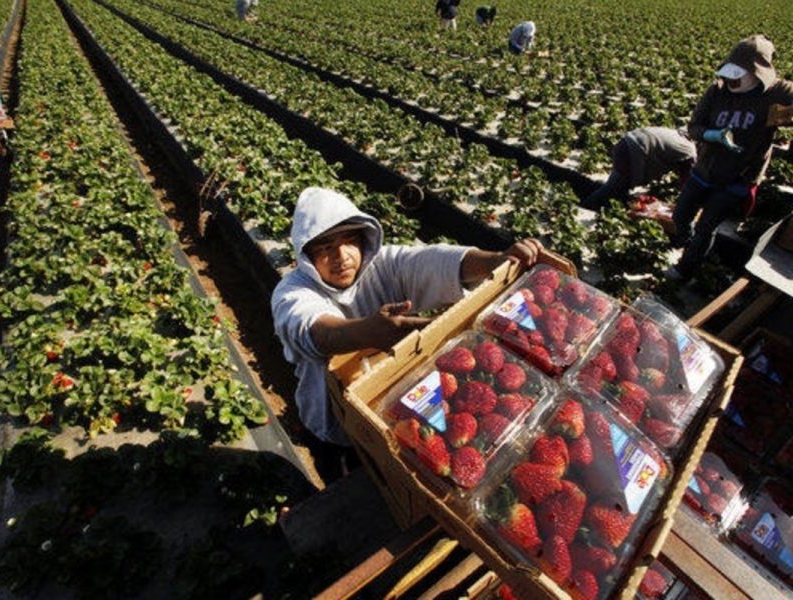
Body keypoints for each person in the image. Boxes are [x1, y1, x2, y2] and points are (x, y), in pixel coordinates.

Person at [271, 187, 543, 447]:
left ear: (363, 238)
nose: (342, 257)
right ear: (306, 255)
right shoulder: (292, 293)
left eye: (349, 241)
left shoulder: (382, 264)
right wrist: (368, 332)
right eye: (325, 248)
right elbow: (312, 330)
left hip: (395, 412)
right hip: (334, 424)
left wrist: (496, 261)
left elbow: (433, 262)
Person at [668, 34, 793, 280]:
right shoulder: (717, 91)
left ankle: (686, 270)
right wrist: (712, 135)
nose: (729, 81)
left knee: (706, 227)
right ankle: (689, 244)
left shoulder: (776, 93)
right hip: (705, 170)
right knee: (680, 215)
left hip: (738, 179)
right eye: (727, 75)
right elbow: (694, 127)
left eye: (737, 77)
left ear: (758, 73)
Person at [581, 127, 697, 211]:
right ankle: (586, 206)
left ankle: (597, 202)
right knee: (613, 188)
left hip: (626, 142)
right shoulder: (689, 151)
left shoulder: (679, 136)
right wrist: (685, 205)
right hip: (634, 150)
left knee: (619, 188)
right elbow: (687, 183)